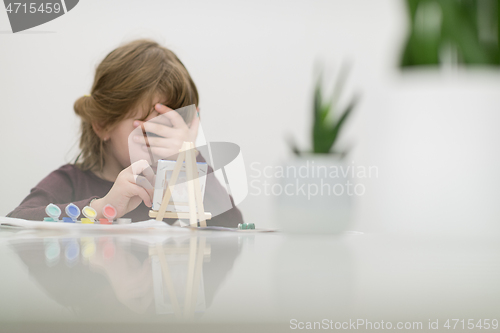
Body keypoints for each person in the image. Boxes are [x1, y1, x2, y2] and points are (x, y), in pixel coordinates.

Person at [8, 39, 243, 227]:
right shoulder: (70, 182)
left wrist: (191, 160)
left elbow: (234, 233)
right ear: (102, 124)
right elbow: (15, 222)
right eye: (147, 129)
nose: (163, 144)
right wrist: (101, 208)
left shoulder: (185, 188)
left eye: (172, 129)